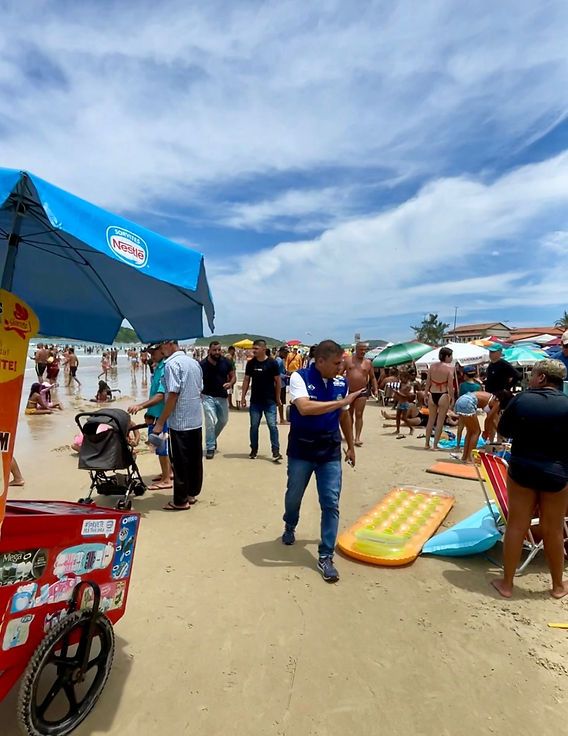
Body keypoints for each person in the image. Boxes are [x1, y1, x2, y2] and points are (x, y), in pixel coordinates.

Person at [281, 340, 365, 583]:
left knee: (330, 501)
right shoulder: (299, 377)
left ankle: (326, 555)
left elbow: (344, 416)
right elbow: (305, 408)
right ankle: (290, 524)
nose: (342, 368)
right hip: (301, 449)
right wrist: (341, 402)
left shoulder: (341, 382)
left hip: (329, 450)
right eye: (337, 363)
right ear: (320, 361)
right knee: (294, 495)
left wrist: (350, 445)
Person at [492, 359, 568, 599]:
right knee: (554, 529)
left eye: (533, 375)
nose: (530, 380)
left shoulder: (523, 399)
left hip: (522, 469)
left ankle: (507, 584)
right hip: (556, 472)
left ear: (542, 378)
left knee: (516, 525)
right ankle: (557, 586)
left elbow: (504, 431)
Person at [153, 339, 203, 511]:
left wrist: (160, 422)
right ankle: (192, 493)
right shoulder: (194, 363)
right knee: (195, 459)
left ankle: (181, 500)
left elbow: (172, 395)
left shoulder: (171, 365)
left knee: (181, 462)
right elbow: (199, 389)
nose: (161, 351)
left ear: (169, 344)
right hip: (195, 418)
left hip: (180, 421)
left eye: (161, 347)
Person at [128, 343, 172, 489]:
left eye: (154, 352)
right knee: (158, 447)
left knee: (162, 448)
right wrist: (150, 412)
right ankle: (168, 473)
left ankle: (166, 479)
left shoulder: (165, 368)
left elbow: (161, 395)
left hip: (162, 416)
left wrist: (141, 406)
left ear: (162, 351)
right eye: (150, 353)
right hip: (155, 414)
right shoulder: (157, 367)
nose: (151, 355)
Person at [240, 339, 282, 461]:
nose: (254, 350)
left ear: (264, 349)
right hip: (255, 402)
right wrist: (243, 397)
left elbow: (278, 381)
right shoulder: (251, 363)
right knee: (254, 426)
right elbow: (246, 380)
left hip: (270, 401)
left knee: (272, 426)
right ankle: (253, 449)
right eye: (253, 348)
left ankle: (275, 451)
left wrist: (278, 397)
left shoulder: (272, 363)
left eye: (256, 348)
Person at [453, 390, 512, 463]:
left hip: (462, 399)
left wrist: (494, 431)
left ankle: (465, 457)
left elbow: (492, 420)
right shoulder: (497, 402)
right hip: (468, 402)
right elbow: (488, 419)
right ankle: (469, 458)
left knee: (470, 431)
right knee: (476, 432)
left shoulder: (492, 398)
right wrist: (486, 431)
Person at [200, 341, 236, 459]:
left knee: (223, 420)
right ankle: (210, 447)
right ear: (209, 350)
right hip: (207, 396)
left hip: (222, 396)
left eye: (219, 350)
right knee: (210, 421)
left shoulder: (226, 362)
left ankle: (213, 438)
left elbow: (233, 376)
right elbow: (197, 379)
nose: (217, 352)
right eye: (214, 350)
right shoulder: (202, 364)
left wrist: (230, 383)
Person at [343, 342, 378, 446]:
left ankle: (357, 438)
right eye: (361, 349)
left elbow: (372, 377)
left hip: (362, 391)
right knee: (348, 414)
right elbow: (339, 373)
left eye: (364, 350)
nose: (363, 352)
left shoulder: (368, 363)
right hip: (349, 391)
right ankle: (350, 436)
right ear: (356, 349)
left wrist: (375, 388)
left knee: (359, 414)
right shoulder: (348, 360)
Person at [424, 347, 455, 451]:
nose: (451, 358)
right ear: (447, 356)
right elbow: (450, 386)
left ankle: (427, 444)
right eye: (451, 356)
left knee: (430, 420)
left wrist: (425, 394)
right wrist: (452, 398)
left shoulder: (432, 367)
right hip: (443, 394)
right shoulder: (450, 368)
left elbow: (427, 382)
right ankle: (435, 445)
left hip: (432, 394)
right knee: (440, 421)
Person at [393, 370, 414, 438]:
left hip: (405, 402)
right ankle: (397, 429)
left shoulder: (408, 386)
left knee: (404, 418)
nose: (401, 379)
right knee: (397, 416)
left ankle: (411, 428)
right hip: (400, 402)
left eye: (402, 377)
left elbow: (406, 396)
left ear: (406, 378)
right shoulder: (401, 384)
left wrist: (398, 393)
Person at [275, 346, 290, 425]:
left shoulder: (281, 360)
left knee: (280, 402)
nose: (286, 354)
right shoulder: (279, 361)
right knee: (280, 402)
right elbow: (276, 373)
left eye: (287, 353)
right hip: (280, 384)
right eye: (285, 352)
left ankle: (280, 419)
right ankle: (281, 419)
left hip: (282, 383)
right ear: (281, 352)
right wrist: (285, 376)